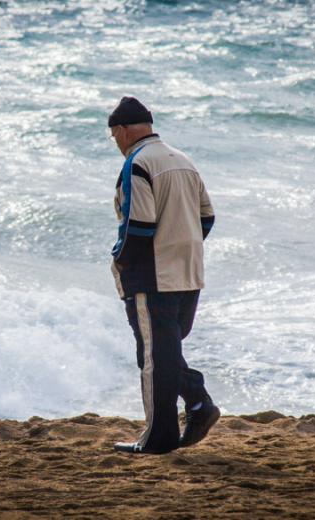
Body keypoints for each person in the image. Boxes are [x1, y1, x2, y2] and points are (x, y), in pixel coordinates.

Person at [107, 96, 220, 455]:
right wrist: (179, 244)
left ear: (123, 130)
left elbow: (138, 227)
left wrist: (120, 261)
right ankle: (199, 405)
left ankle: (159, 438)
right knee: (162, 354)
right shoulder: (184, 160)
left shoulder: (137, 164)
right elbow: (206, 218)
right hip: (189, 272)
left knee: (155, 358)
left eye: (114, 136)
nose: (115, 143)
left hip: (154, 277)